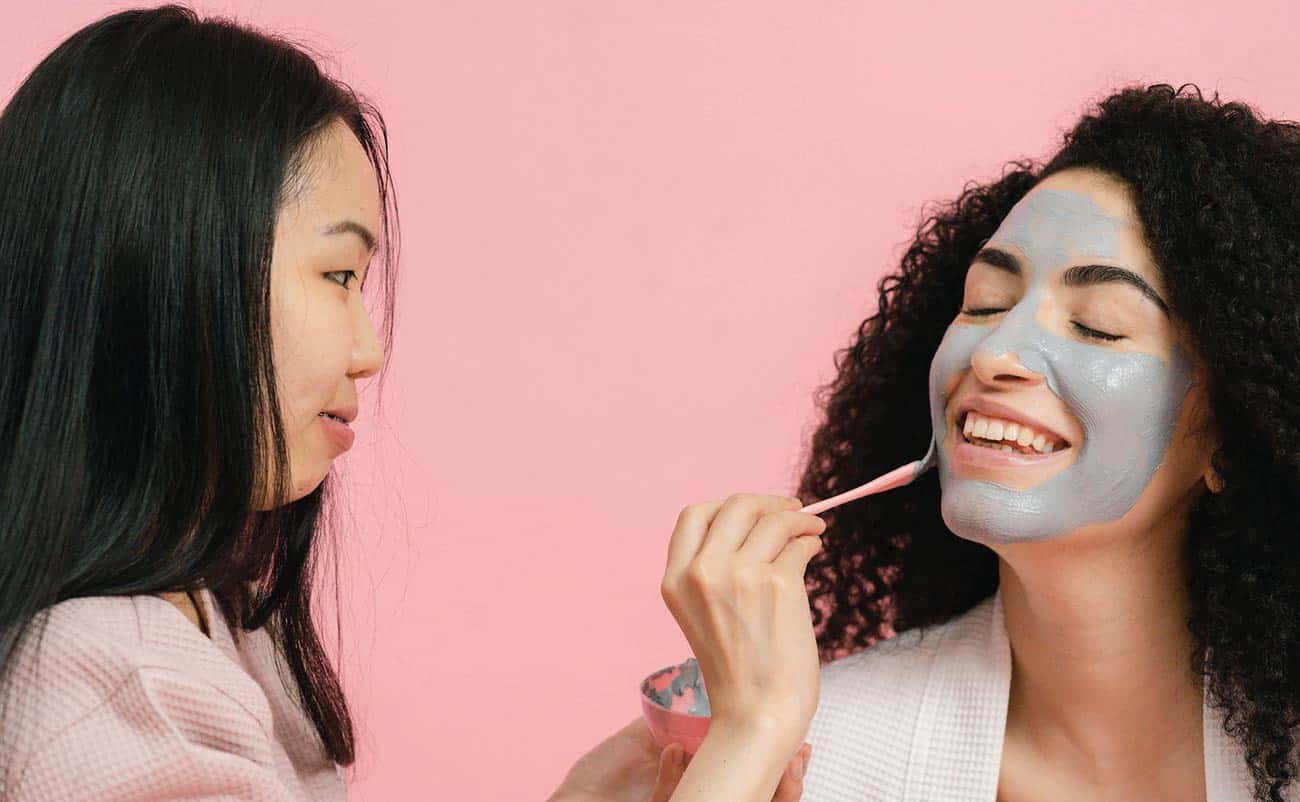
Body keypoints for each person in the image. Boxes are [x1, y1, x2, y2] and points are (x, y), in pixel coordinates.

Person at [551, 84, 1300, 802]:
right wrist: (750, 737)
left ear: (1232, 438)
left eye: (1098, 322)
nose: (994, 353)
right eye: (985, 304)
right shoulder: (800, 758)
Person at [0, 5, 397, 800]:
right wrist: (727, 752)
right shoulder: (114, 675)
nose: (368, 352)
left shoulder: (218, 605)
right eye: (337, 276)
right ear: (168, 271)